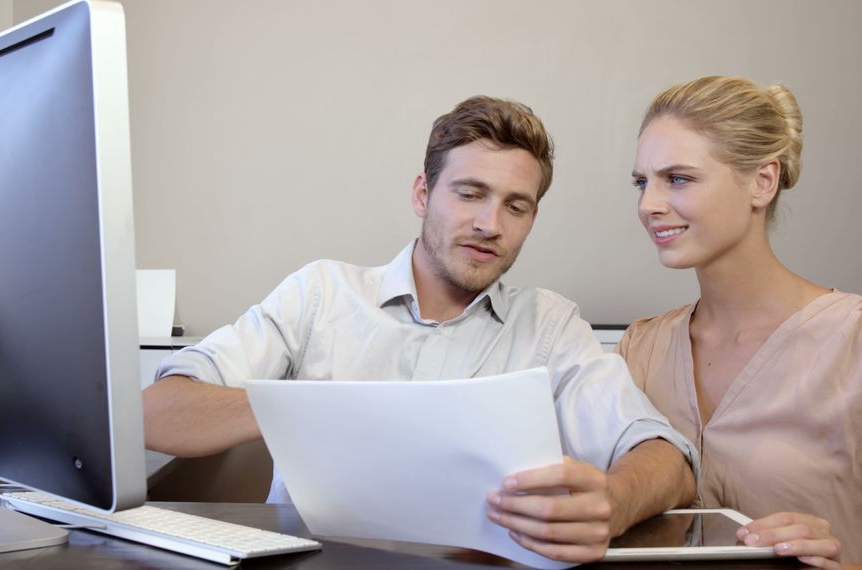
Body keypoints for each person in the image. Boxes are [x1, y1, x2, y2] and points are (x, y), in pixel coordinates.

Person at [145, 95, 698, 564]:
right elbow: (155, 413)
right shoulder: (319, 295)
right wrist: (310, 409)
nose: (489, 224)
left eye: (516, 206)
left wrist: (617, 501)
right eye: (470, 193)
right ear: (422, 194)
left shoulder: (551, 325)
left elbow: (666, 460)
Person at [621, 76, 860, 569]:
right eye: (642, 182)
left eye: (679, 178)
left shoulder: (852, 343)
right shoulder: (639, 349)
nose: (649, 205)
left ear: (762, 181)